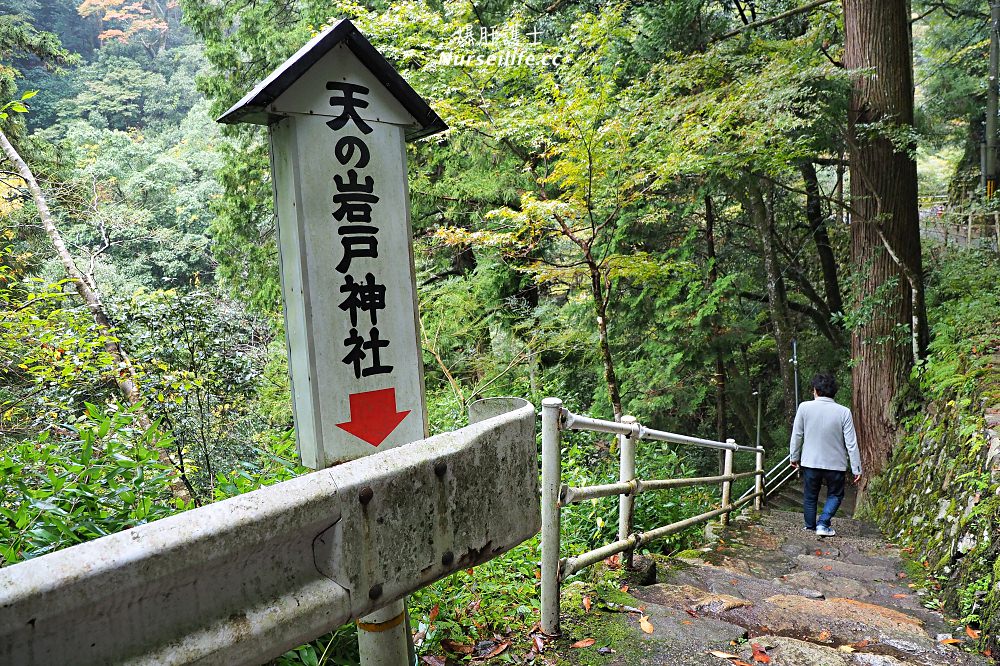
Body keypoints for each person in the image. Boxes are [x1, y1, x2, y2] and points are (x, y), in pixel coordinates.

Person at [789, 373, 862, 537]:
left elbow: (797, 435)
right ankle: (823, 523)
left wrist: (794, 457)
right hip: (836, 463)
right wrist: (856, 468)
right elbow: (851, 442)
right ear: (834, 392)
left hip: (810, 461)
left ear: (815, 390)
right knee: (835, 494)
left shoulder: (804, 407)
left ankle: (809, 526)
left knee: (810, 495)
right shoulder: (844, 412)